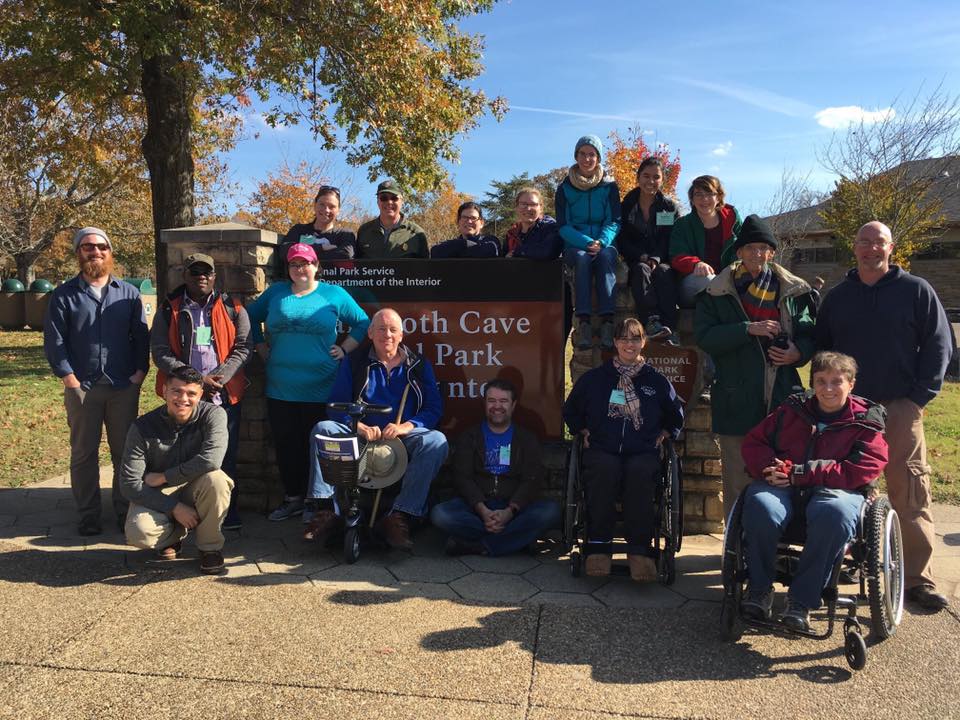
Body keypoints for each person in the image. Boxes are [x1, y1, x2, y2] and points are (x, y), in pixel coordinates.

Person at [816, 220, 955, 611]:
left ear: (891, 248)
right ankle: (844, 559)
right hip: (848, 409)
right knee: (842, 487)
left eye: (878, 243)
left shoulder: (916, 291)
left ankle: (916, 578)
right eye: (864, 242)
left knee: (909, 491)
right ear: (854, 247)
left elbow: (939, 346)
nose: (870, 249)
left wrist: (917, 399)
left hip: (899, 406)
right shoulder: (839, 297)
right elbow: (822, 350)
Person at [739, 352, 888, 631]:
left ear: (851, 384)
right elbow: (754, 443)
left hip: (835, 490)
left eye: (836, 381)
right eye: (821, 381)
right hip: (782, 484)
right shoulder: (791, 411)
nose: (828, 388)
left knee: (833, 513)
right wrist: (768, 467)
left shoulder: (866, 421)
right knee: (760, 506)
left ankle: (801, 601)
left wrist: (800, 474)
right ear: (813, 383)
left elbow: (863, 468)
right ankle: (758, 590)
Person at [694, 215, 816, 520]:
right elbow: (705, 337)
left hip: (782, 400)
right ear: (739, 253)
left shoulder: (793, 292)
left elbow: (812, 335)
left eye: (763, 248)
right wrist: (747, 329)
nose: (757, 255)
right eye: (750, 248)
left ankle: (772, 547)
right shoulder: (716, 292)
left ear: (772, 253)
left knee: (780, 476)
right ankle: (735, 553)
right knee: (737, 480)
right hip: (736, 399)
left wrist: (797, 353)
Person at [304, 308, 448, 550]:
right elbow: (335, 406)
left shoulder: (419, 366)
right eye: (381, 329)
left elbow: (433, 409)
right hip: (361, 434)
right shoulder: (354, 362)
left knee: (436, 442)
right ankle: (326, 511)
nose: (387, 335)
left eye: (393, 330)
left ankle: (401, 517)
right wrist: (357, 425)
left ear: (402, 335)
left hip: (403, 436)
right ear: (370, 333)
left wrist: (406, 427)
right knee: (323, 429)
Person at [246, 243, 370, 521]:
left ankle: (320, 504)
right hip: (281, 385)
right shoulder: (276, 293)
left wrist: (345, 348)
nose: (300, 268)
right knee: (286, 444)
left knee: (318, 445)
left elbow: (362, 322)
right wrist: (260, 347)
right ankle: (293, 498)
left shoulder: (333, 294)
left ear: (316, 266)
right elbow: (250, 317)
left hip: (321, 385)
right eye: (294, 264)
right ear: (288, 269)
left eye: (305, 263)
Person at [43, 226, 149, 536]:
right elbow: (54, 340)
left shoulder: (128, 292)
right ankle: (88, 514)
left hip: (122, 385)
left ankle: (123, 510)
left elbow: (140, 336)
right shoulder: (64, 295)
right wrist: (69, 379)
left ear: (109, 252)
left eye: (101, 246)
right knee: (84, 453)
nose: (96, 252)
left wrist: (139, 374)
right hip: (82, 387)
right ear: (79, 252)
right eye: (88, 247)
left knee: (124, 452)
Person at [562, 318, 684, 580]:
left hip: (642, 450)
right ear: (615, 343)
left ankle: (640, 550)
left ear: (643, 342)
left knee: (641, 475)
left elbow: (676, 415)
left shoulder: (657, 381)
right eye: (624, 339)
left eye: (635, 338)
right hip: (603, 447)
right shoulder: (595, 379)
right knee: (602, 472)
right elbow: (570, 410)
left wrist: (665, 433)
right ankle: (598, 546)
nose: (630, 344)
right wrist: (582, 430)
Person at [150, 252, 252, 530]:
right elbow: (159, 351)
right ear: (185, 276)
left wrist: (220, 376)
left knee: (223, 453)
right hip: (183, 396)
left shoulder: (234, 306)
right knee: (183, 454)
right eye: (195, 272)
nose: (202, 277)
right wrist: (195, 380)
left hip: (223, 393)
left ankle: (226, 514)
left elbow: (244, 347)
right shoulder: (167, 308)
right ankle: (183, 512)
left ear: (215, 277)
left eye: (207, 272)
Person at [120, 366, 233, 576]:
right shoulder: (142, 426)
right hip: (159, 492)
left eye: (191, 393)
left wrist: (165, 476)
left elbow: (211, 460)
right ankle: (174, 536)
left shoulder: (214, 415)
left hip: (195, 486)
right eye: (176, 391)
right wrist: (174, 507)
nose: (183, 398)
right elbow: (129, 484)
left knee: (217, 480)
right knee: (139, 533)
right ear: (164, 391)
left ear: (200, 394)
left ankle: (210, 548)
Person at [431, 379, 561, 556]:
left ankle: (478, 546)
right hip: (477, 508)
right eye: (491, 401)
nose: (497, 406)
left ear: (513, 405)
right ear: (484, 404)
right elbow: (463, 477)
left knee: (550, 511)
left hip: (514, 508)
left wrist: (510, 511)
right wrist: (483, 511)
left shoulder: (526, 439)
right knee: (441, 515)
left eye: (503, 401)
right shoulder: (470, 436)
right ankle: (516, 539)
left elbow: (531, 480)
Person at [555, 135, 622, 351]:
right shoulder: (564, 188)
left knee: (606, 257)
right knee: (583, 259)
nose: (587, 158)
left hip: (604, 243)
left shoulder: (609, 187)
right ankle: (583, 323)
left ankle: (608, 323)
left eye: (592, 154)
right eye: (582, 154)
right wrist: (586, 243)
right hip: (575, 245)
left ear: (598, 157)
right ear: (576, 156)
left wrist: (601, 242)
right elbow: (563, 225)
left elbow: (614, 220)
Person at [616, 157, 680, 343]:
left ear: (662, 180)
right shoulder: (626, 205)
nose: (651, 181)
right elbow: (621, 238)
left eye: (656, 177)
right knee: (641, 270)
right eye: (646, 176)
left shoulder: (668, 207)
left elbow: (669, 237)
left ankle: (670, 328)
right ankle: (651, 322)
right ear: (638, 177)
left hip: (661, 258)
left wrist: (656, 258)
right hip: (635, 258)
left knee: (664, 272)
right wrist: (641, 256)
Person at [669, 175, 741, 307]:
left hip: (729, 280)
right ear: (692, 198)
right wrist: (696, 264)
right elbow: (676, 256)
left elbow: (744, 247)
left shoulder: (732, 218)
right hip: (694, 285)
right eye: (698, 194)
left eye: (710, 193)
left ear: (718, 197)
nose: (704, 199)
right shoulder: (683, 225)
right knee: (709, 280)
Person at [356, 179, 428, 258]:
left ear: (402, 201)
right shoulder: (364, 231)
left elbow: (426, 268)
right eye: (384, 198)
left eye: (394, 198)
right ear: (377, 201)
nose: (389, 202)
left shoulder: (416, 233)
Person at [283, 184, 357, 261]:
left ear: (338, 210)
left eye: (332, 206)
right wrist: (321, 247)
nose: (326, 210)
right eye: (322, 204)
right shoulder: (299, 230)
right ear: (315, 205)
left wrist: (302, 255)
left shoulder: (344, 234)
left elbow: (346, 254)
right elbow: (285, 251)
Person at [503, 187, 562, 260]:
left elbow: (548, 251)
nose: (528, 208)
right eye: (523, 204)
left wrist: (517, 252)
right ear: (517, 207)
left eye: (533, 204)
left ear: (541, 208)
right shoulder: (511, 234)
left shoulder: (550, 227)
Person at [430, 201, 501, 258]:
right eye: (464, 217)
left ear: (481, 223)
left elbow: (487, 252)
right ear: (458, 222)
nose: (469, 221)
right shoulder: (452, 244)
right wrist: (465, 243)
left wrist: (455, 250)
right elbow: (435, 252)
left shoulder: (492, 242)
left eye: (473, 218)